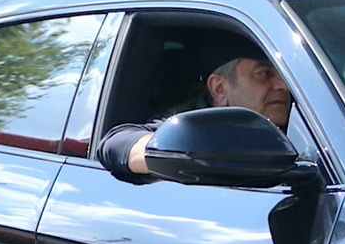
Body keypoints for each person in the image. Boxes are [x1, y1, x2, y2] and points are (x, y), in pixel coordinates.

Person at [97, 53, 297, 179]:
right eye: (264, 74)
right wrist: (189, 152)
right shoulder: (190, 124)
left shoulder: (316, 120)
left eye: (285, 74)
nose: (284, 86)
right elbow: (115, 143)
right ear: (219, 89)